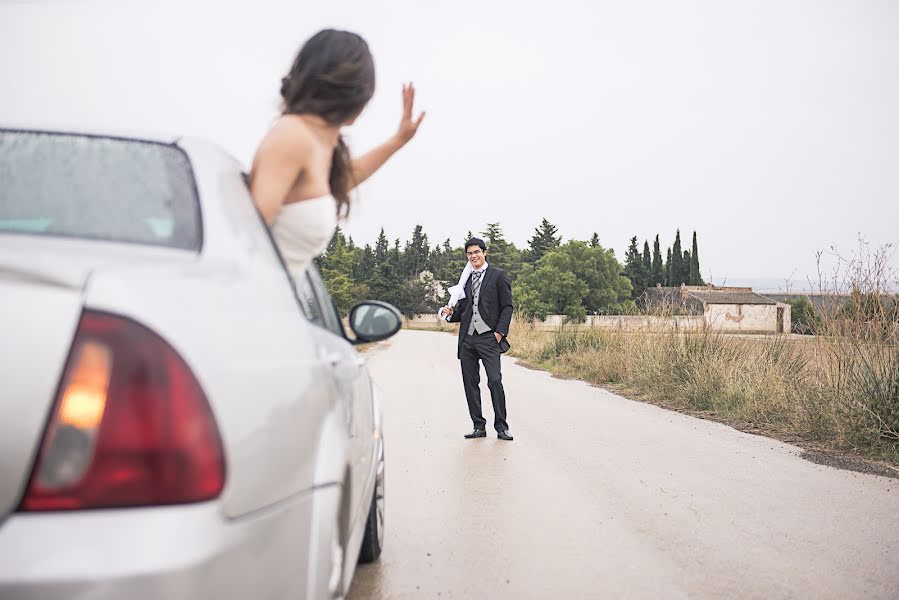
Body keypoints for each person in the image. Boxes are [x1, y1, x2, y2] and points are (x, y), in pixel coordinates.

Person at [249, 29, 424, 276]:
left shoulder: (315, 142)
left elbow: (342, 179)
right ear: (356, 91)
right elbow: (247, 239)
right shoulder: (292, 137)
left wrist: (398, 140)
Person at [440, 238, 514, 441]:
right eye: (470, 253)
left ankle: (501, 427)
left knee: (495, 381)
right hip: (468, 341)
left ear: (484, 252)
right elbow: (464, 311)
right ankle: (478, 426)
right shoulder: (465, 280)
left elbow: (507, 307)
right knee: (470, 383)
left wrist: (499, 333)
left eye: (476, 252)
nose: (473, 256)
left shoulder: (498, 276)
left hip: (489, 338)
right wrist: (448, 314)